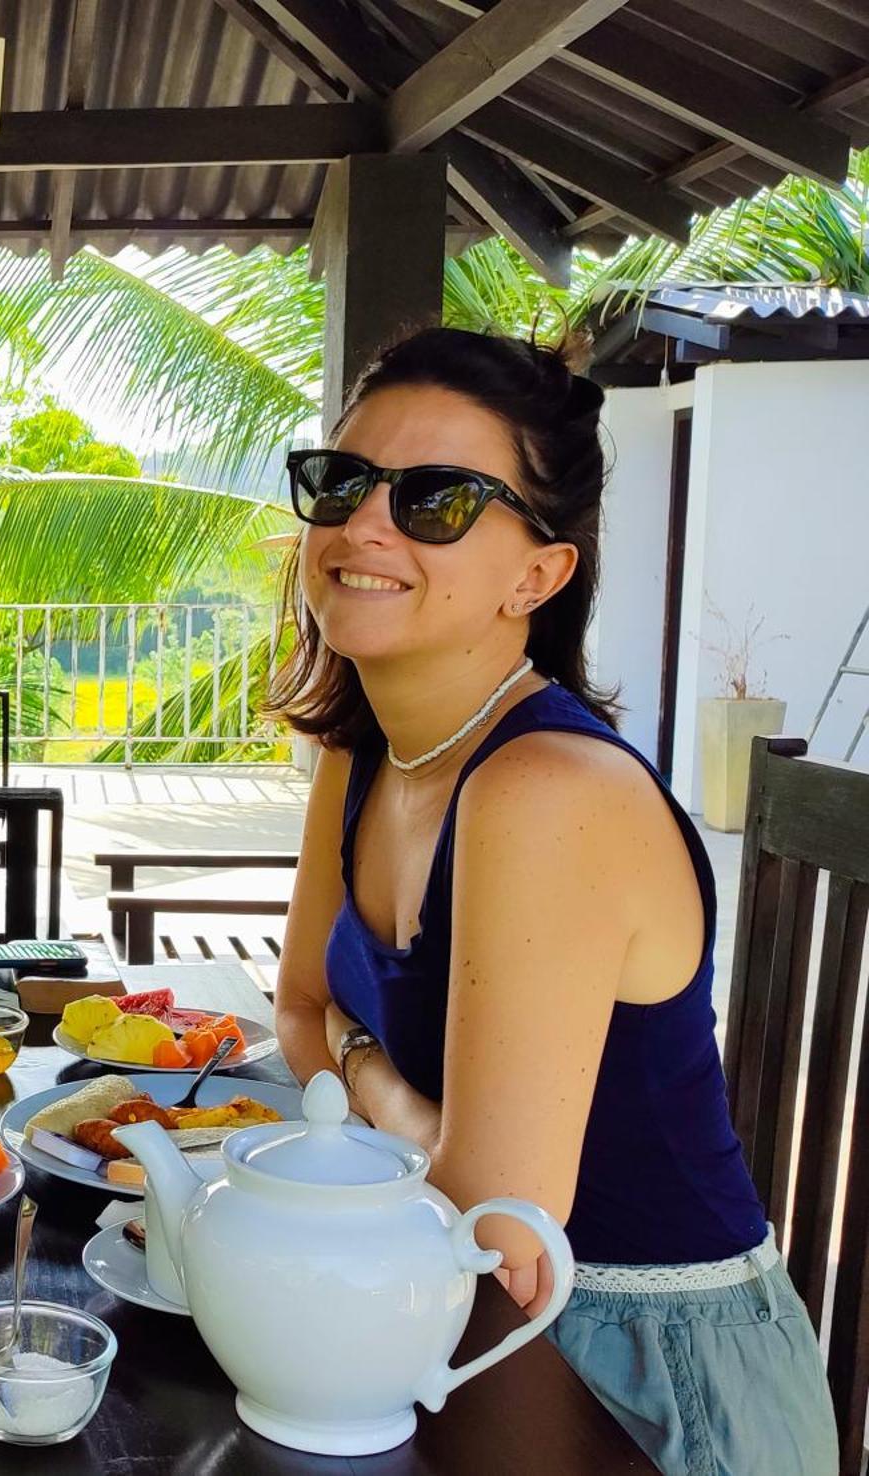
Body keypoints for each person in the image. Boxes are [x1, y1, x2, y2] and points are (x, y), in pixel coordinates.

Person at [269, 327, 837, 1475]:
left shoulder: (545, 790)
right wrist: (391, 1095)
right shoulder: (364, 754)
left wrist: (363, 1071)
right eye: (342, 483)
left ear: (538, 574)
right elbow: (291, 1014)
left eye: (435, 500)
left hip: (636, 1380)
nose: (363, 525)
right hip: (449, 1316)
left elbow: (496, 1209)